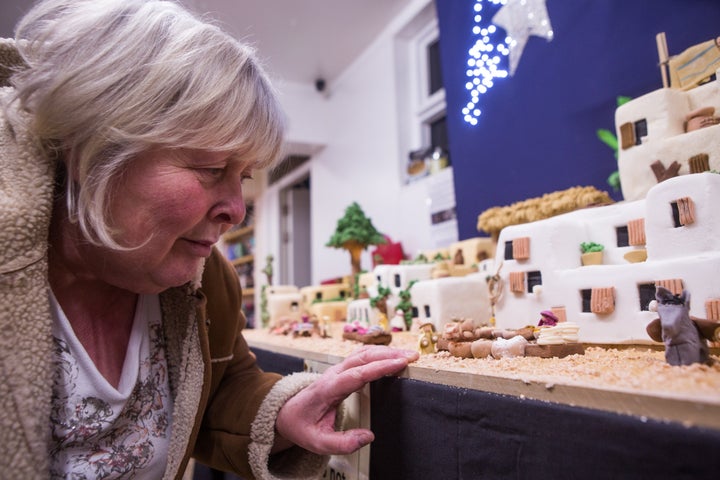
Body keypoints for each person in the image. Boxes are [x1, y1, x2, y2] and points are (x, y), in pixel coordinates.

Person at [0, 1, 419, 479]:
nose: (236, 209)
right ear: (91, 153)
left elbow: (219, 388)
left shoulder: (204, 277)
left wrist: (284, 413)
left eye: (242, 177)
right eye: (212, 169)